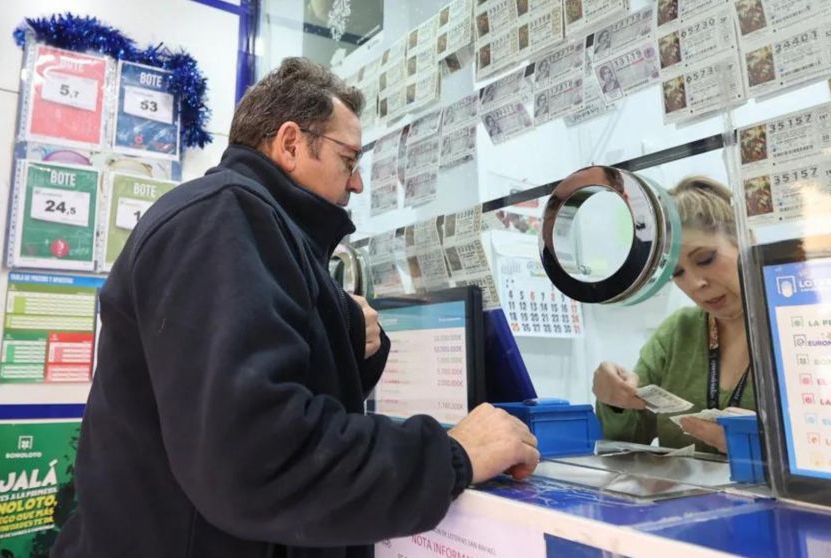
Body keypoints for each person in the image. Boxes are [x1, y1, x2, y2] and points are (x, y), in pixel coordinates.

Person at [52, 57, 540, 558]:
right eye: (349, 159)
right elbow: (258, 458)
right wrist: (452, 455)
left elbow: (261, 390)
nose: (357, 184)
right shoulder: (221, 218)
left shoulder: (253, 227)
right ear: (289, 144)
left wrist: (341, 329)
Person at [591, 176, 756, 453]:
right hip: (686, 496)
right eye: (675, 273)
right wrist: (613, 399)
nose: (695, 284)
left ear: (745, 240)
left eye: (705, 259)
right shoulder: (679, 332)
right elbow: (626, 441)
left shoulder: (800, 325)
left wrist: (766, 444)